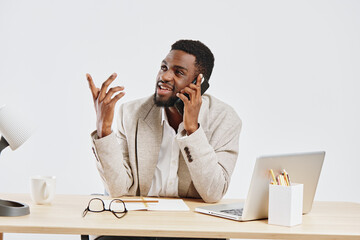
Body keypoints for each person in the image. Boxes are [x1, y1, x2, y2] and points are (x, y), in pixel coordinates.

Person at [86, 40, 242, 240]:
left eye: (178, 72)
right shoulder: (131, 113)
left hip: (193, 229)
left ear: (199, 84)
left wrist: (192, 130)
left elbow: (213, 192)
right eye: (163, 67)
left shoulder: (224, 119)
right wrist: (104, 130)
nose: (165, 76)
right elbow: (117, 189)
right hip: (137, 227)